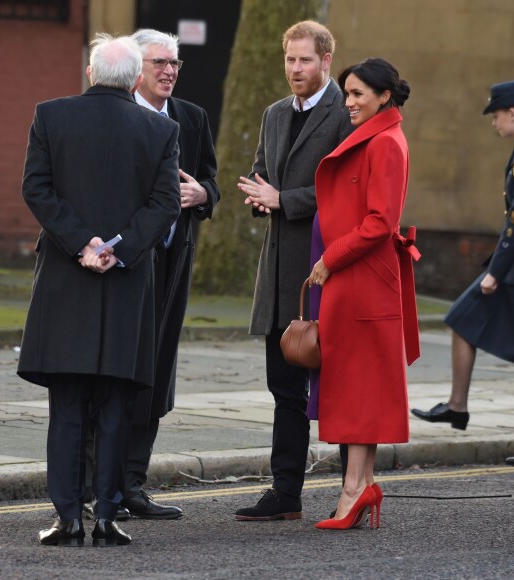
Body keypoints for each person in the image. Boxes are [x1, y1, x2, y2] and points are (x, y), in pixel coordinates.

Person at [17, 33, 181, 546]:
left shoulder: (50, 115)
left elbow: (36, 188)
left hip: (68, 277)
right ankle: (107, 517)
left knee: (67, 402)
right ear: (135, 78)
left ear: (91, 72)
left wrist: (81, 243)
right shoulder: (161, 129)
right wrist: (119, 249)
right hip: (127, 282)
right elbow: (165, 204)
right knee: (114, 403)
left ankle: (68, 517)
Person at [83, 28, 220, 521]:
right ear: (135, 69)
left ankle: (133, 485)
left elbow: (210, 178)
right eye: (159, 62)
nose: (169, 71)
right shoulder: (109, 116)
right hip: (122, 267)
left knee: (156, 375)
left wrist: (203, 196)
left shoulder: (192, 118)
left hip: (172, 263)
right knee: (112, 373)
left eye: (175, 63)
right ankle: (100, 487)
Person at [235, 20, 353, 521]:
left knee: (341, 387)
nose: (295, 69)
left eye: (305, 60)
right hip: (279, 275)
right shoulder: (274, 114)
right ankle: (286, 494)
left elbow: (347, 191)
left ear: (326, 60)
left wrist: (284, 200)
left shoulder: (345, 112)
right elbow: (262, 175)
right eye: (290, 59)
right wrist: (260, 201)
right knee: (283, 388)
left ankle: (355, 484)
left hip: (327, 270)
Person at [309, 58, 420, 530]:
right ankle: (360, 484)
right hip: (361, 280)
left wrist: (330, 258)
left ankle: (355, 490)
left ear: (384, 96)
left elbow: (380, 222)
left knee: (358, 389)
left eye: (357, 94)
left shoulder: (387, 142)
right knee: (360, 388)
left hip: (362, 277)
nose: (349, 102)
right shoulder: (378, 136)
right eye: (347, 93)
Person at [411, 79, 514, 468]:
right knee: (462, 318)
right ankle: (457, 406)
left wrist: (495, 271)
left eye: (495, 115)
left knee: (462, 317)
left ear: (513, 112)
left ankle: (458, 406)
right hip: (513, 265)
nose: (493, 123)